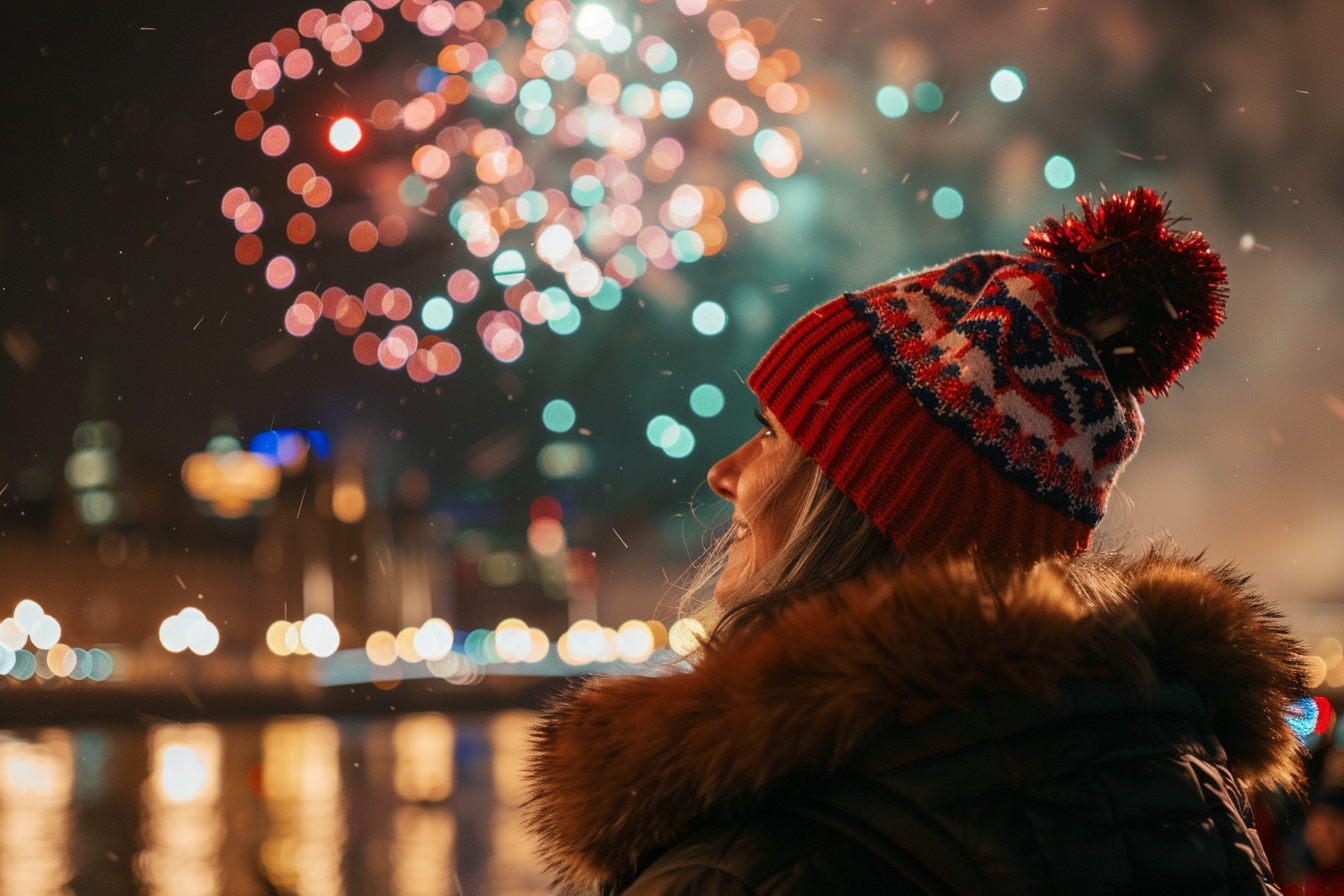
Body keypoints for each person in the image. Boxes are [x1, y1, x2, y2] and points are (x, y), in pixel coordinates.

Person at [525, 188, 1310, 895]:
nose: (724, 472)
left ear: (857, 508)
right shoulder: (1181, 800)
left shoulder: (749, 865)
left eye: (771, 435)